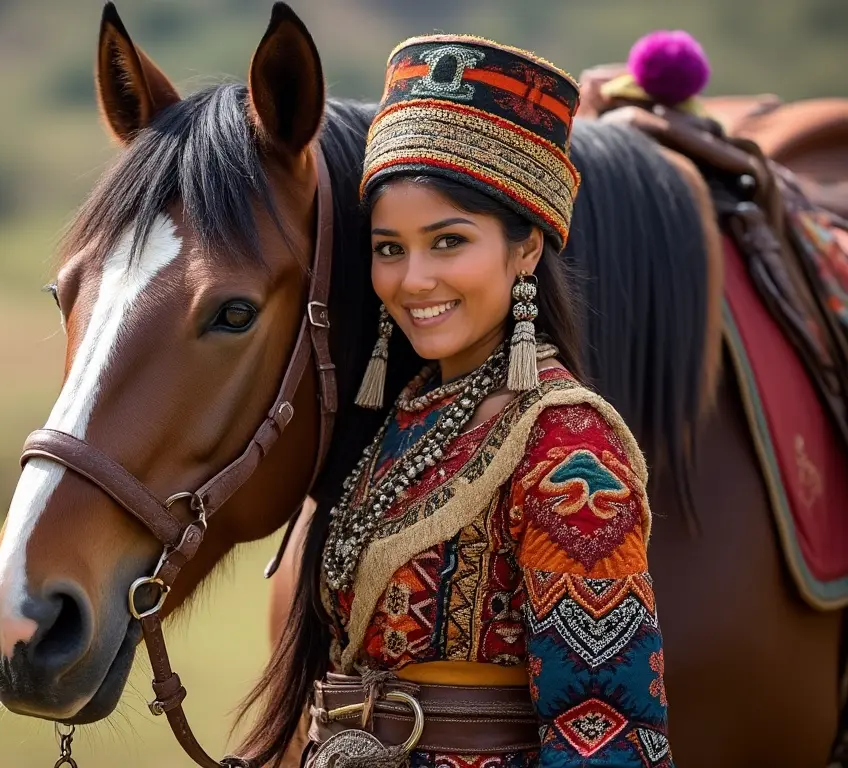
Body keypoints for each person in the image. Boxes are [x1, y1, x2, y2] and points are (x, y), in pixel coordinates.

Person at [242, 35, 672, 768]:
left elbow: (604, 725)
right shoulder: (399, 422)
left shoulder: (569, 448)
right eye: (389, 249)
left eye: (448, 243)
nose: (413, 280)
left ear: (527, 248)